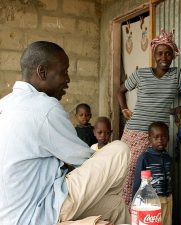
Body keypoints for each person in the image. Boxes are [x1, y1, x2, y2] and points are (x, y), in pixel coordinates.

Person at [0, 41, 130, 225]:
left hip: (11, 215)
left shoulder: (5, 104)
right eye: (64, 71)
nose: (68, 79)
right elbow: (85, 161)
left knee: (114, 205)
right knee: (119, 150)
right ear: (42, 72)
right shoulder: (44, 107)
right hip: (39, 211)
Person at [118, 29, 181, 207]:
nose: (163, 57)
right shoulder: (141, 74)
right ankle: (129, 216)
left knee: (154, 179)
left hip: (157, 136)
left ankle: (150, 215)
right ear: (154, 55)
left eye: (168, 53)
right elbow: (120, 90)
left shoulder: (177, 75)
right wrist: (124, 109)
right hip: (134, 132)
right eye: (160, 53)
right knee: (130, 175)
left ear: (173, 55)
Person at [132, 121, 173, 225]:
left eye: (163, 137)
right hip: (151, 201)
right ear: (149, 139)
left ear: (168, 138)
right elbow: (137, 182)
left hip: (167, 199)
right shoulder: (144, 158)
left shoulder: (168, 158)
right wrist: (135, 203)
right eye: (156, 137)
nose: (160, 140)